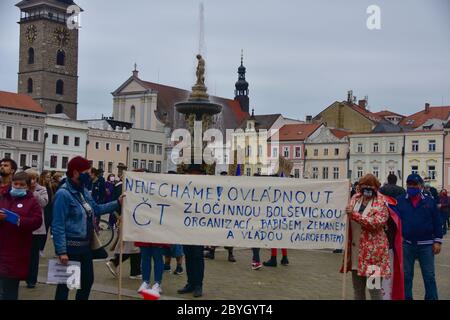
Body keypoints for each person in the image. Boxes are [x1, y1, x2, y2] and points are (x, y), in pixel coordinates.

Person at [52, 156, 124, 300]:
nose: (90, 175)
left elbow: (96, 209)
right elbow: (57, 225)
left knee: (87, 281)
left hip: (85, 247)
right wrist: (61, 251)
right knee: (66, 285)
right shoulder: (63, 194)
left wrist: (117, 202)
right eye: (87, 172)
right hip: (70, 248)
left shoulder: (83, 191)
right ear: (76, 172)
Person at [341, 174, 391, 300]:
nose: (367, 189)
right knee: (358, 291)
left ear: (376, 187)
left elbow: (376, 223)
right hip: (355, 254)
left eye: (370, 186)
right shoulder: (355, 198)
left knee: (374, 291)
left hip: (374, 255)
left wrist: (354, 215)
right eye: (364, 186)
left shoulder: (381, 202)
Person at [395, 174, 442, 300]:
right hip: (407, 245)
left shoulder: (429, 201)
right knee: (406, 276)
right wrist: (398, 237)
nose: (412, 187)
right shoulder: (399, 201)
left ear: (420, 185)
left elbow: (437, 222)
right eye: (409, 184)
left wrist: (438, 241)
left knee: (429, 276)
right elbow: (394, 221)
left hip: (426, 245)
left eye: (414, 184)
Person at [0, 172, 42, 300]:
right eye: (15, 183)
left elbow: (37, 221)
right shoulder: (3, 198)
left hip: (16, 250)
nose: (17, 186)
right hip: (2, 245)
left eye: (21, 184)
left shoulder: (32, 201)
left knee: (9, 289)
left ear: (28, 187)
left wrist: (18, 220)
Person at [177, 169, 205, 298]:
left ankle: (198, 285)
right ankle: (190, 283)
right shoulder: (185, 189)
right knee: (188, 255)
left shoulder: (205, 189)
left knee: (197, 257)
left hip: (199, 229)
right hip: (186, 228)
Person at [25, 169, 48, 289]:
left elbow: (44, 203)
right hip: (23, 227)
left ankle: (32, 279)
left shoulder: (42, 189)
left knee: (34, 255)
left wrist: (34, 192)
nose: (32, 180)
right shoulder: (21, 188)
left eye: (34, 178)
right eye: (30, 178)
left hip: (36, 228)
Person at [38, 171, 54, 252]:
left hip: (48, 212)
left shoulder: (49, 188)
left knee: (45, 231)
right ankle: (38, 247)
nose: (49, 179)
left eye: (50, 177)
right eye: (47, 177)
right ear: (43, 177)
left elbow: (51, 201)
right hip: (41, 211)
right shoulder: (39, 188)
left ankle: (41, 248)